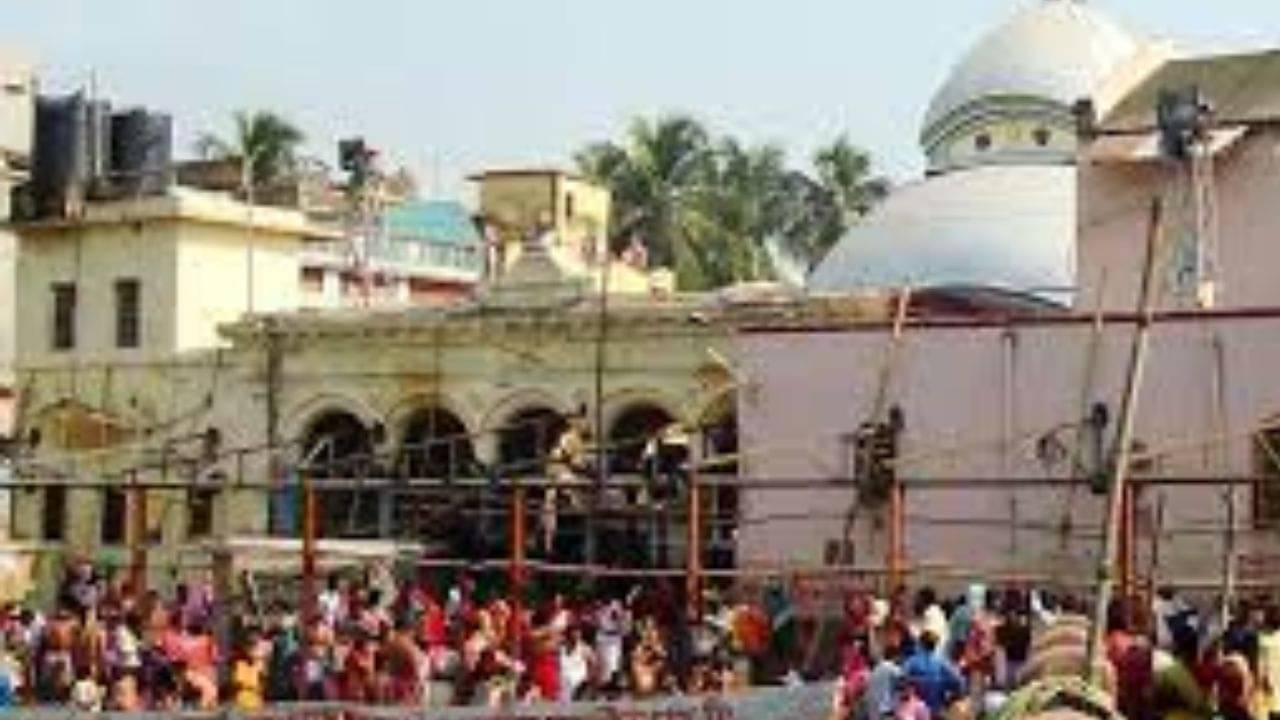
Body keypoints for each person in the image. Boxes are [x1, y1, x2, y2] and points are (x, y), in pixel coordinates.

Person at [901, 631, 964, 717]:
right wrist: (949, 701)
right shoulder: (942, 663)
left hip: (915, 713)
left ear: (920, 644)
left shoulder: (911, 662)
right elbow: (958, 682)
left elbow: (901, 681)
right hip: (936, 711)